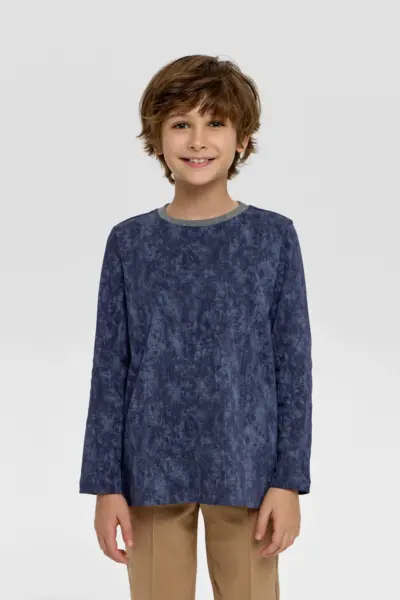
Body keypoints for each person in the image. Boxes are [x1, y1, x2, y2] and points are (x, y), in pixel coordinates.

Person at [79, 54, 313, 599]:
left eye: (216, 122)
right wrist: (105, 486)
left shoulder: (273, 238)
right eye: (181, 123)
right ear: (157, 138)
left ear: (243, 140)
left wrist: (289, 480)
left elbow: (293, 367)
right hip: (149, 470)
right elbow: (109, 369)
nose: (198, 140)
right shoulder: (130, 243)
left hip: (248, 469)